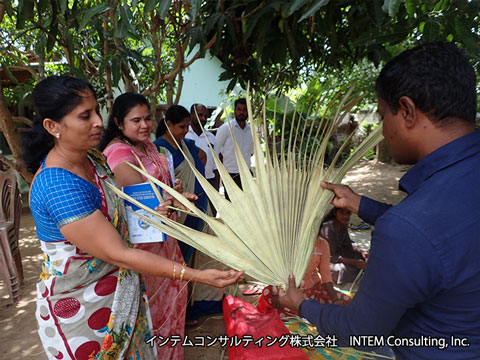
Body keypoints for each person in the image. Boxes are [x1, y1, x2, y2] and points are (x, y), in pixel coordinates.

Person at [277, 42, 480, 359]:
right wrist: (360, 204)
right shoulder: (451, 192)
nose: (383, 131)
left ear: (408, 111)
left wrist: (300, 304)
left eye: (384, 116)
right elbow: (445, 231)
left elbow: (362, 332)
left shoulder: (407, 230)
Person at [24, 76, 243, 360]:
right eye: (84, 116)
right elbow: (120, 253)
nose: (97, 122)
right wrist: (196, 275)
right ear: (53, 126)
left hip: (119, 297)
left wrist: (162, 206)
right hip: (83, 311)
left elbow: (119, 214)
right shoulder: (58, 186)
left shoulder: (93, 160)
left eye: (96, 112)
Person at [99, 92, 188, 360]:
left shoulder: (147, 146)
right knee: (154, 312)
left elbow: (160, 192)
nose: (145, 125)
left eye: (148, 118)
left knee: (173, 302)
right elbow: (141, 205)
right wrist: (172, 199)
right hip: (143, 246)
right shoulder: (118, 153)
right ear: (118, 122)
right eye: (135, 120)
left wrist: (174, 193)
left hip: (164, 239)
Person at [153, 105, 209, 263]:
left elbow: (203, 156)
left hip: (200, 203)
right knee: (182, 256)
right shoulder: (159, 148)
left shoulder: (187, 145)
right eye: (182, 126)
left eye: (188, 126)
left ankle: (200, 287)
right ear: (169, 124)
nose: (186, 130)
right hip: (181, 210)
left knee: (203, 255)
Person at [215, 98, 254, 200]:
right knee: (232, 204)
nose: (241, 112)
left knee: (248, 204)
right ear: (235, 110)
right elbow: (215, 149)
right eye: (239, 109)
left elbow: (251, 152)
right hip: (230, 174)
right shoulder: (225, 128)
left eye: (244, 110)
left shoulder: (251, 130)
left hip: (247, 174)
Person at [186, 103, 220, 214]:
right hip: (192, 183)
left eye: (205, 116)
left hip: (210, 182)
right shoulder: (185, 135)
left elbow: (216, 162)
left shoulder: (210, 137)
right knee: (196, 215)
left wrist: (216, 184)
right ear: (191, 115)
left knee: (212, 215)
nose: (203, 119)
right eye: (200, 115)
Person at [320, 207, 367, 285]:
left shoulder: (344, 224)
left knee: (362, 256)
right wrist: (356, 263)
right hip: (326, 259)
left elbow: (348, 243)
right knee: (343, 269)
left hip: (339, 253)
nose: (345, 216)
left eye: (348, 213)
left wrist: (362, 251)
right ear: (335, 213)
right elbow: (331, 257)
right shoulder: (327, 229)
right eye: (342, 213)